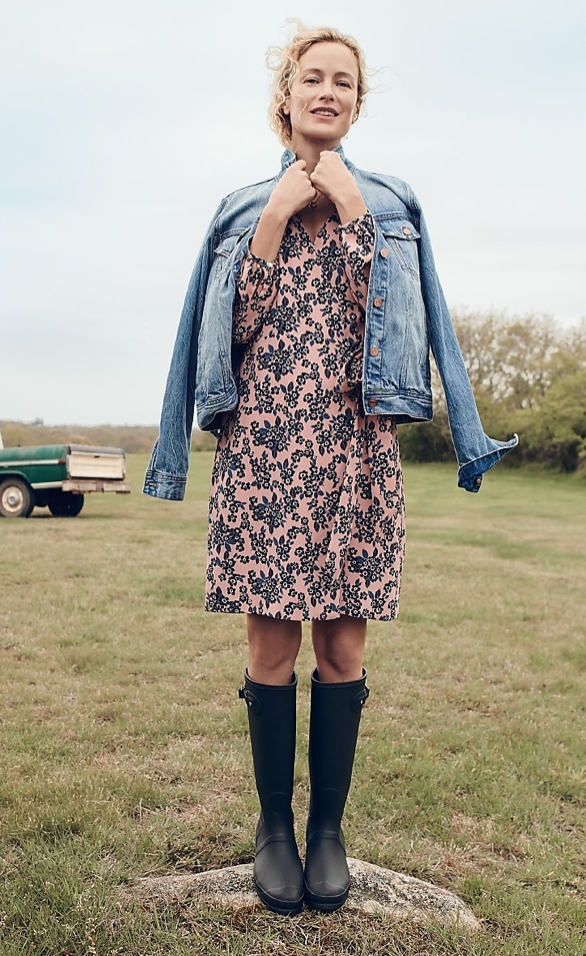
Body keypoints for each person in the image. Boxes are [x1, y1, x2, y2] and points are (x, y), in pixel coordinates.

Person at [144, 24, 517, 916]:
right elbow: (217, 342)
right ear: (287, 95)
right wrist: (276, 217)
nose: (327, 91)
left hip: (354, 452)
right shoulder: (240, 210)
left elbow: (410, 331)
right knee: (270, 644)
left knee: (343, 645)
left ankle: (328, 833)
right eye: (312, 78)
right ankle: (275, 828)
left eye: (343, 81)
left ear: (356, 101)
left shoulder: (390, 203)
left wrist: (352, 213)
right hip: (266, 453)